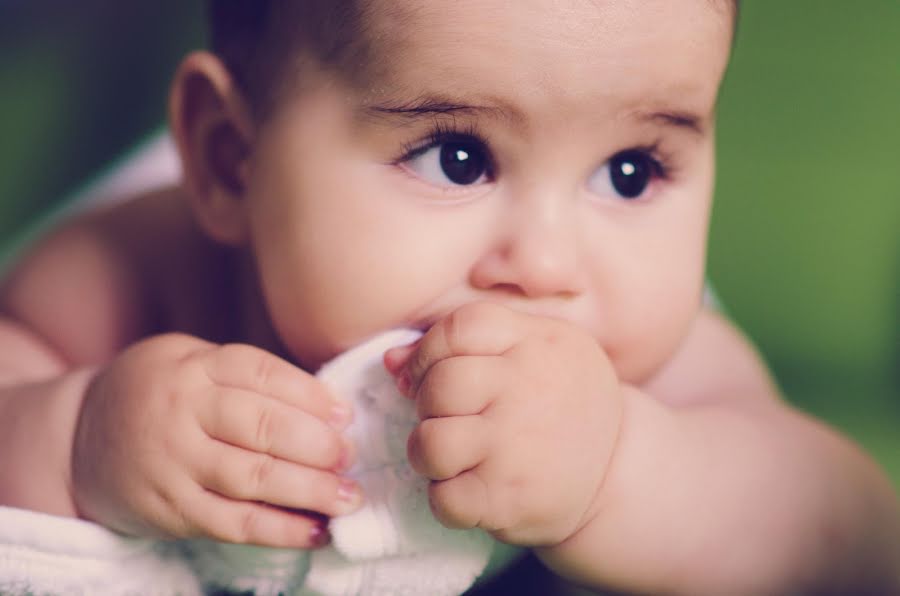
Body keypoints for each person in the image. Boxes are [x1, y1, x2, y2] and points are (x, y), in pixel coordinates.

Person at [0, 0, 898, 593]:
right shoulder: (137, 273)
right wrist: (78, 430)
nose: (546, 266)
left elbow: (856, 540)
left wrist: (623, 468)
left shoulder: (646, 363)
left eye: (630, 172)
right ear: (234, 160)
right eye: (457, 157)